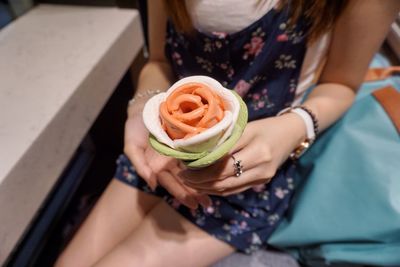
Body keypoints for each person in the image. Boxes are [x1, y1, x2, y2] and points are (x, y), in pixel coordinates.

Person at [56, 0, 400, 266]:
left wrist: (293, 128)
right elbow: (159, 63)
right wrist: (139, 108)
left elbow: (340, 84)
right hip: (162, 148)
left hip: (250, 175)